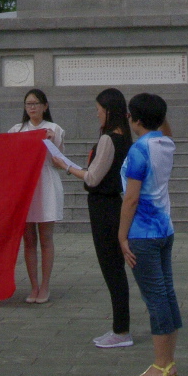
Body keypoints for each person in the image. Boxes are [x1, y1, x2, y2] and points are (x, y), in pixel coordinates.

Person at [61, 87, 132, 348]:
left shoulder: (109, 139)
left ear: (109, 112)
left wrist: (67, 166)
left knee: (111, 268)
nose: (97, 115)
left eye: (99, 111)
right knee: (116, 269)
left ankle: (121, 330)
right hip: (115, 203)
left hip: (104, 206)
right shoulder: (126, 137)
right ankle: (121, 327)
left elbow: (93, 176)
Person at [120, 92, 180, 376]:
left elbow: (130, 198)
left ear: (136, 119)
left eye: (130, 114)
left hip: (142, 233)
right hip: (164, 229)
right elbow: (165, 128)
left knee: (155, 298)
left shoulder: (139, 150)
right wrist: (159, 111)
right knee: (166, 294)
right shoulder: (165, 143)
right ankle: (167, 362)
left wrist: (121, 236)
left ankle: (161, 365)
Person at [8, 89, 67, 304]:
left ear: (45, 106)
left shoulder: (54, 129)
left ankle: (45, 286)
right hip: (25, 185)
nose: (32, 107)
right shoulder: (17, 130)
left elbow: (59, 161)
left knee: (46, 238)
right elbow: (10, 159)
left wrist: (51, 141)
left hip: (46, 182)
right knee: (29, 239)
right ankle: (33, 285)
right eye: (28, 104)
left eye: (35, 103)